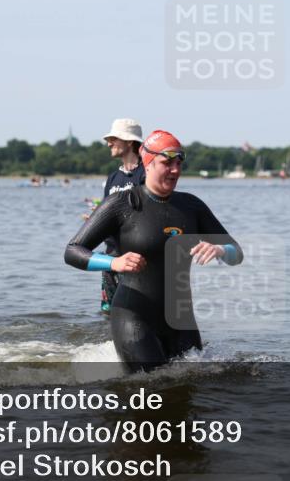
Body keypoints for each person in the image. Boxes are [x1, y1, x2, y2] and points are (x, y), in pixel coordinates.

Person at [65, 129, 243, 372]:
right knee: (151, 388)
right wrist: (112, 263)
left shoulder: (191, 206)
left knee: (193, 387)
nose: (175, 170)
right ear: (147, 163)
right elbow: (73, 251)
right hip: (134, 316)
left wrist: (220, 249)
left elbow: (237, 253)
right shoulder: (122, 204)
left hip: (181, 320)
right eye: (167, 163)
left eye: (179, 163)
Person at [96, 118, 146, 313]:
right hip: (111, 257)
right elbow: (106, 212)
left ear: (130, 142)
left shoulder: (146, 174)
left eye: (114, 139)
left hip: (137, 260)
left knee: (136, 314)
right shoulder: (112, 178)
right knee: (109, 314)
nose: (109, 143)